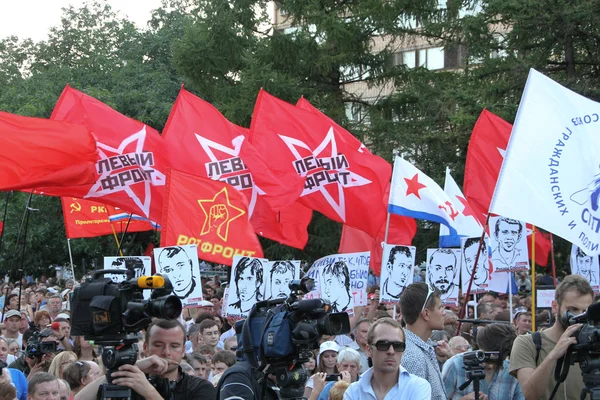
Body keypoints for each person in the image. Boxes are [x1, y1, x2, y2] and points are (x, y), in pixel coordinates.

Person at [75, 319, 216, 400]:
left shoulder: (200, 387)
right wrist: (133, 367)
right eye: (158, 345)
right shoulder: (132, 378)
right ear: (145, 347)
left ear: (184, 350)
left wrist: (149, 392)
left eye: (174, 346)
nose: (166, 352)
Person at [509, 274, 594, 400]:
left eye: (585, 311)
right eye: (573, 309)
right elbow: (530, 395)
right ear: (555, 307)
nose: (580, 316)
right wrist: (553, 355)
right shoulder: (528, 343)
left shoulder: (594, 343)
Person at [343, 317, 431, 399]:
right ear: (369, 350)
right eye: (383, 344)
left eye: (398, 346)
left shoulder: (418, 387)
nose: (391, 351)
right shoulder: (353, 392)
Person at [443, 323, 524, 399]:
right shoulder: (456, 364)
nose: (490, 366)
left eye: (497, 361)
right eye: (487, 357)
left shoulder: (512, 371)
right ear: (480, 345)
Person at [399, 282, 449, 400]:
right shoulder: (412, 357)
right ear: (426, 313)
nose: (444, 312)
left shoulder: (422, 347)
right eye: (440, 307)